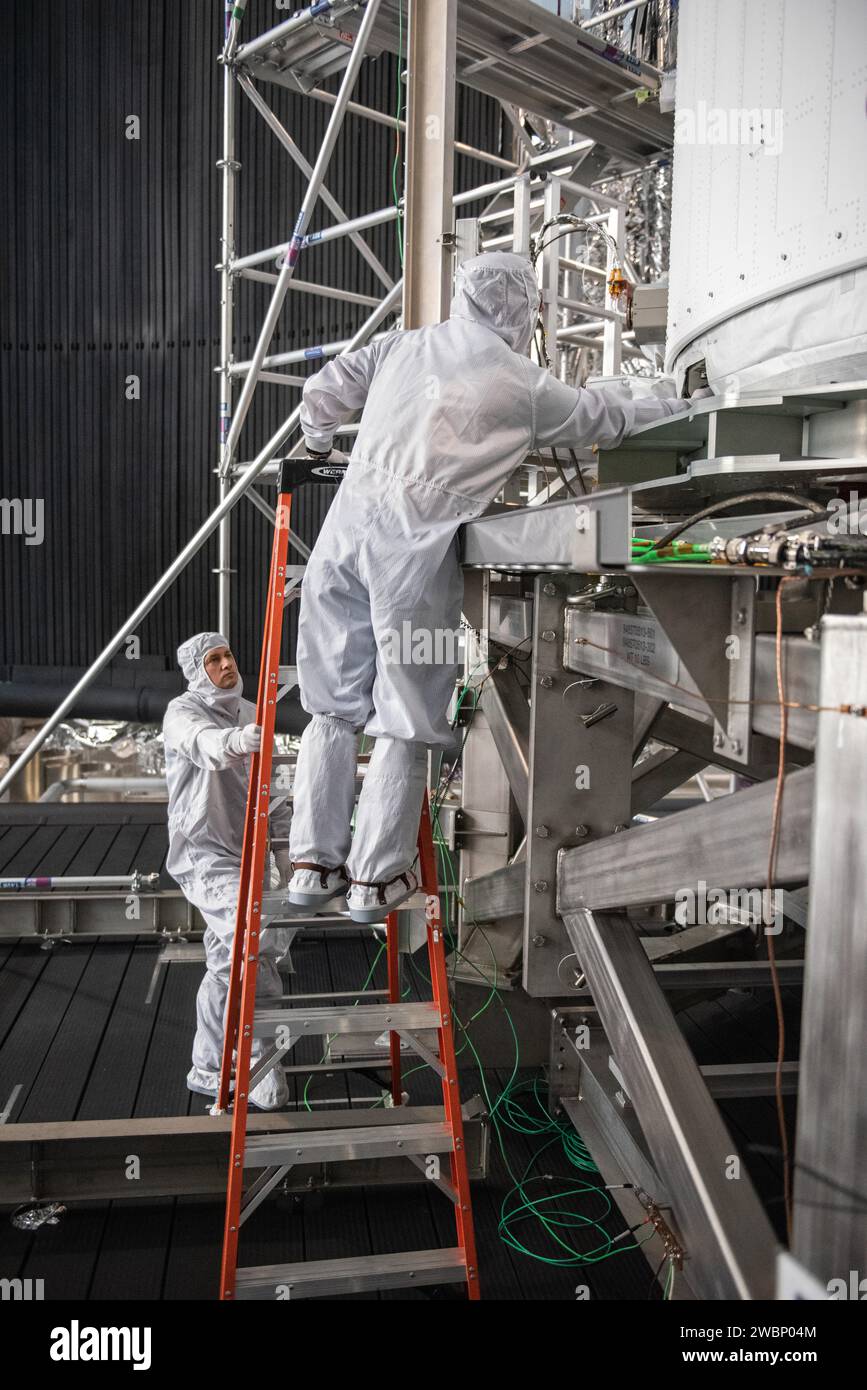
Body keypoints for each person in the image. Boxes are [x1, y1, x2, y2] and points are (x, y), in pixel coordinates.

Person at [287, 251, 692, 922]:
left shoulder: (402, 345)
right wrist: (675, 399)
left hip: (342, 541)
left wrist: (319, 440)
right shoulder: (522, 384)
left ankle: (311, 864)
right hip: (409, 559)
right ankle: (374, 881)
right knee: (404, 715)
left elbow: (322, 391)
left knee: (330, 707)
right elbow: (603, 417)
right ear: (523, 310)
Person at [163, 632, 294, 1110]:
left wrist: (286, 851)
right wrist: (237, 741)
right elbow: (201, 743)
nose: (225, 665)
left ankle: (209, 1066)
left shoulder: (252, 713)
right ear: (198, 671)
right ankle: (258, 1064)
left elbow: (274, 789)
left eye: (228, 655)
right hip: (204, 853)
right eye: (213, 660)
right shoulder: (182, 711)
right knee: (253, 940)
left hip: (249, 855)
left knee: (226, 964)